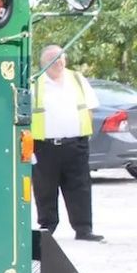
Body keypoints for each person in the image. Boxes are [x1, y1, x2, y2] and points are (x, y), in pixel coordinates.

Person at [31, 45, 103, 242]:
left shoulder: (77, 79)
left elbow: (90, 108)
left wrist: (83, 137)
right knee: (45, 189)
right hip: (44, 147)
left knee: (80, 187)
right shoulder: (35, 83)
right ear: (44, 63)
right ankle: (47, 228)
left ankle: (84, 229)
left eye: (62, 58)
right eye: (54, 59)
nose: (60, 62)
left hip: (75, 145)